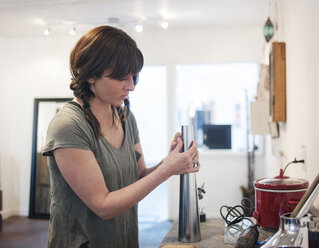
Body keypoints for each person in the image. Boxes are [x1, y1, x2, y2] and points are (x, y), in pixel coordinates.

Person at [42, 25, 200, 248]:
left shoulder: (125, 117)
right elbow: (103, 206)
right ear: (91, 75)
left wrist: (171, 161)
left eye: (133, 76)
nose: (132, 86)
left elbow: (140, 176)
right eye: (121, 77)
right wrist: (167, 170)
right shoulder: (69, 125)